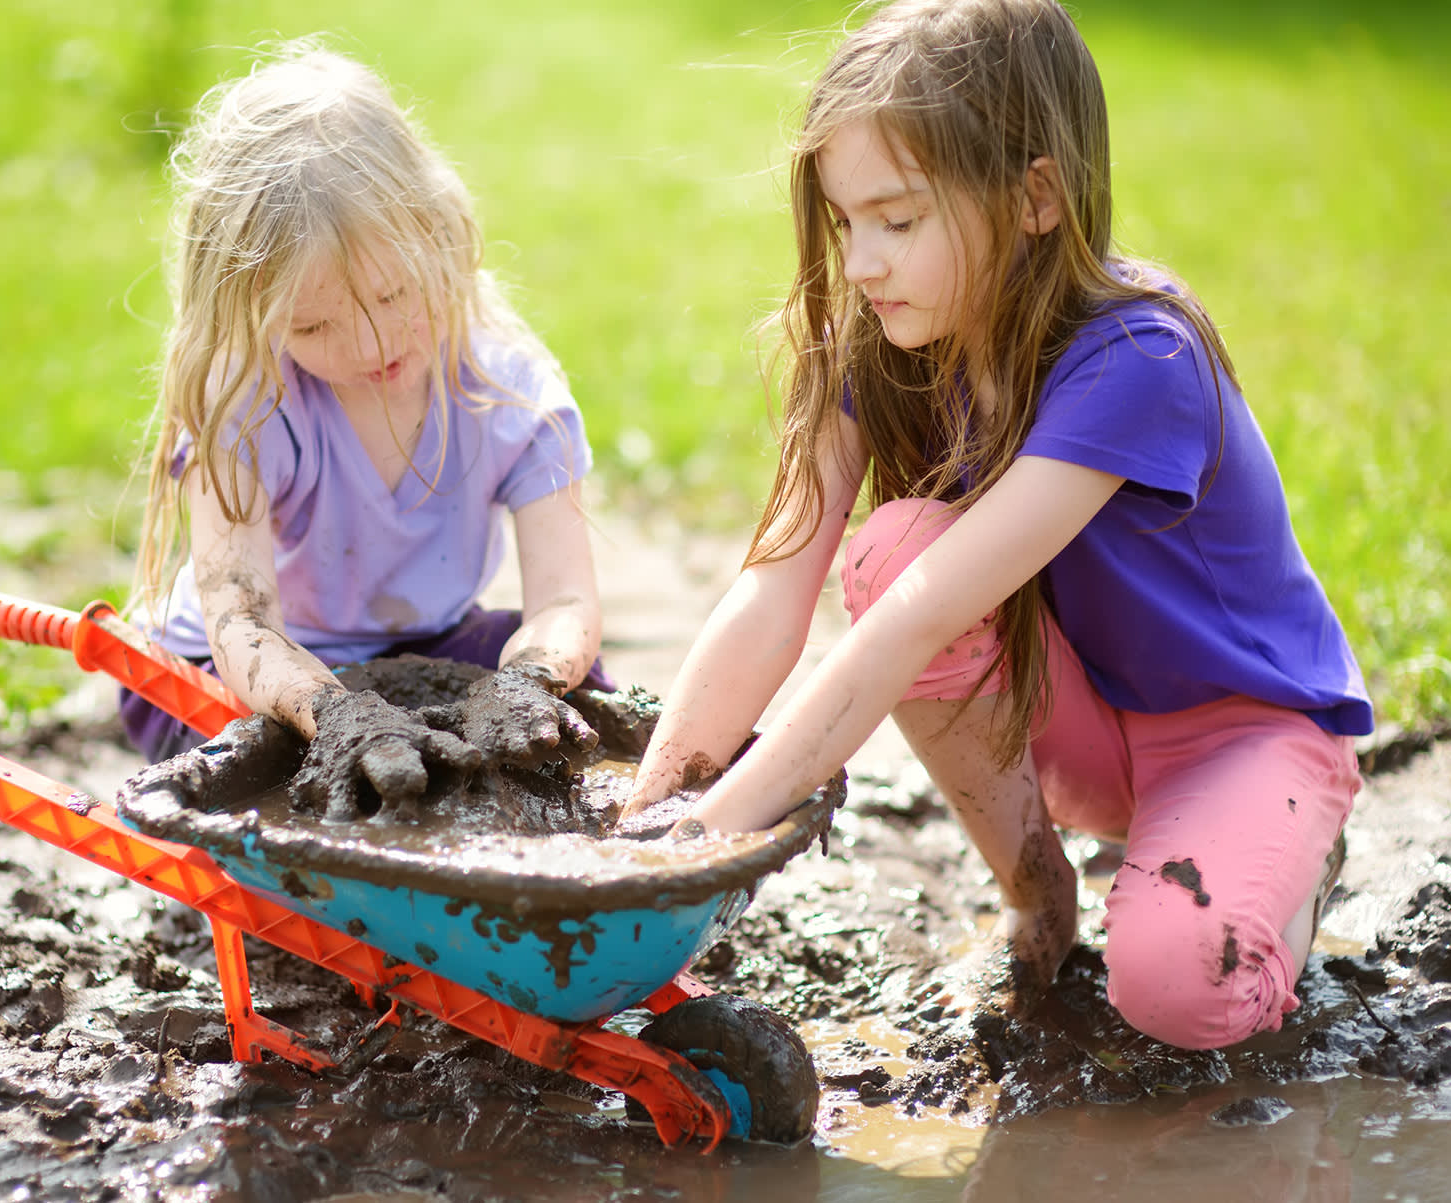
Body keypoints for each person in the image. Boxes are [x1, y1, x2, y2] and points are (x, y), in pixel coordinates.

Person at [626, 0, 1371, 1051]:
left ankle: (1286, 871)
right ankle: (1039, 894)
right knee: (891, 549)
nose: (864, 263)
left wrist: (704, 841)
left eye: (898, 220)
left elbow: (912, 630)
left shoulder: (1137, 359)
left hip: (1240, 733)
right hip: (1080, 725)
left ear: (1033, 197)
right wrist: (645, 819)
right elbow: (771, 586)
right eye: (846, 225)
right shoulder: (884, 348)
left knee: (1175, 992)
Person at [124, 44, 607, 816]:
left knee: (568, 718)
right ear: (253, 315)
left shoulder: (510, 393)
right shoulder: (250, 398)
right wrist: (340, 716)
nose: (372, 345)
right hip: (249, 670)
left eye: (393, 295)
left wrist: (524, 685)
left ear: (441, 231)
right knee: (273, 767)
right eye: (314, 325)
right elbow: (240, 623)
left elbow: (566, 603)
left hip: (427, 644)